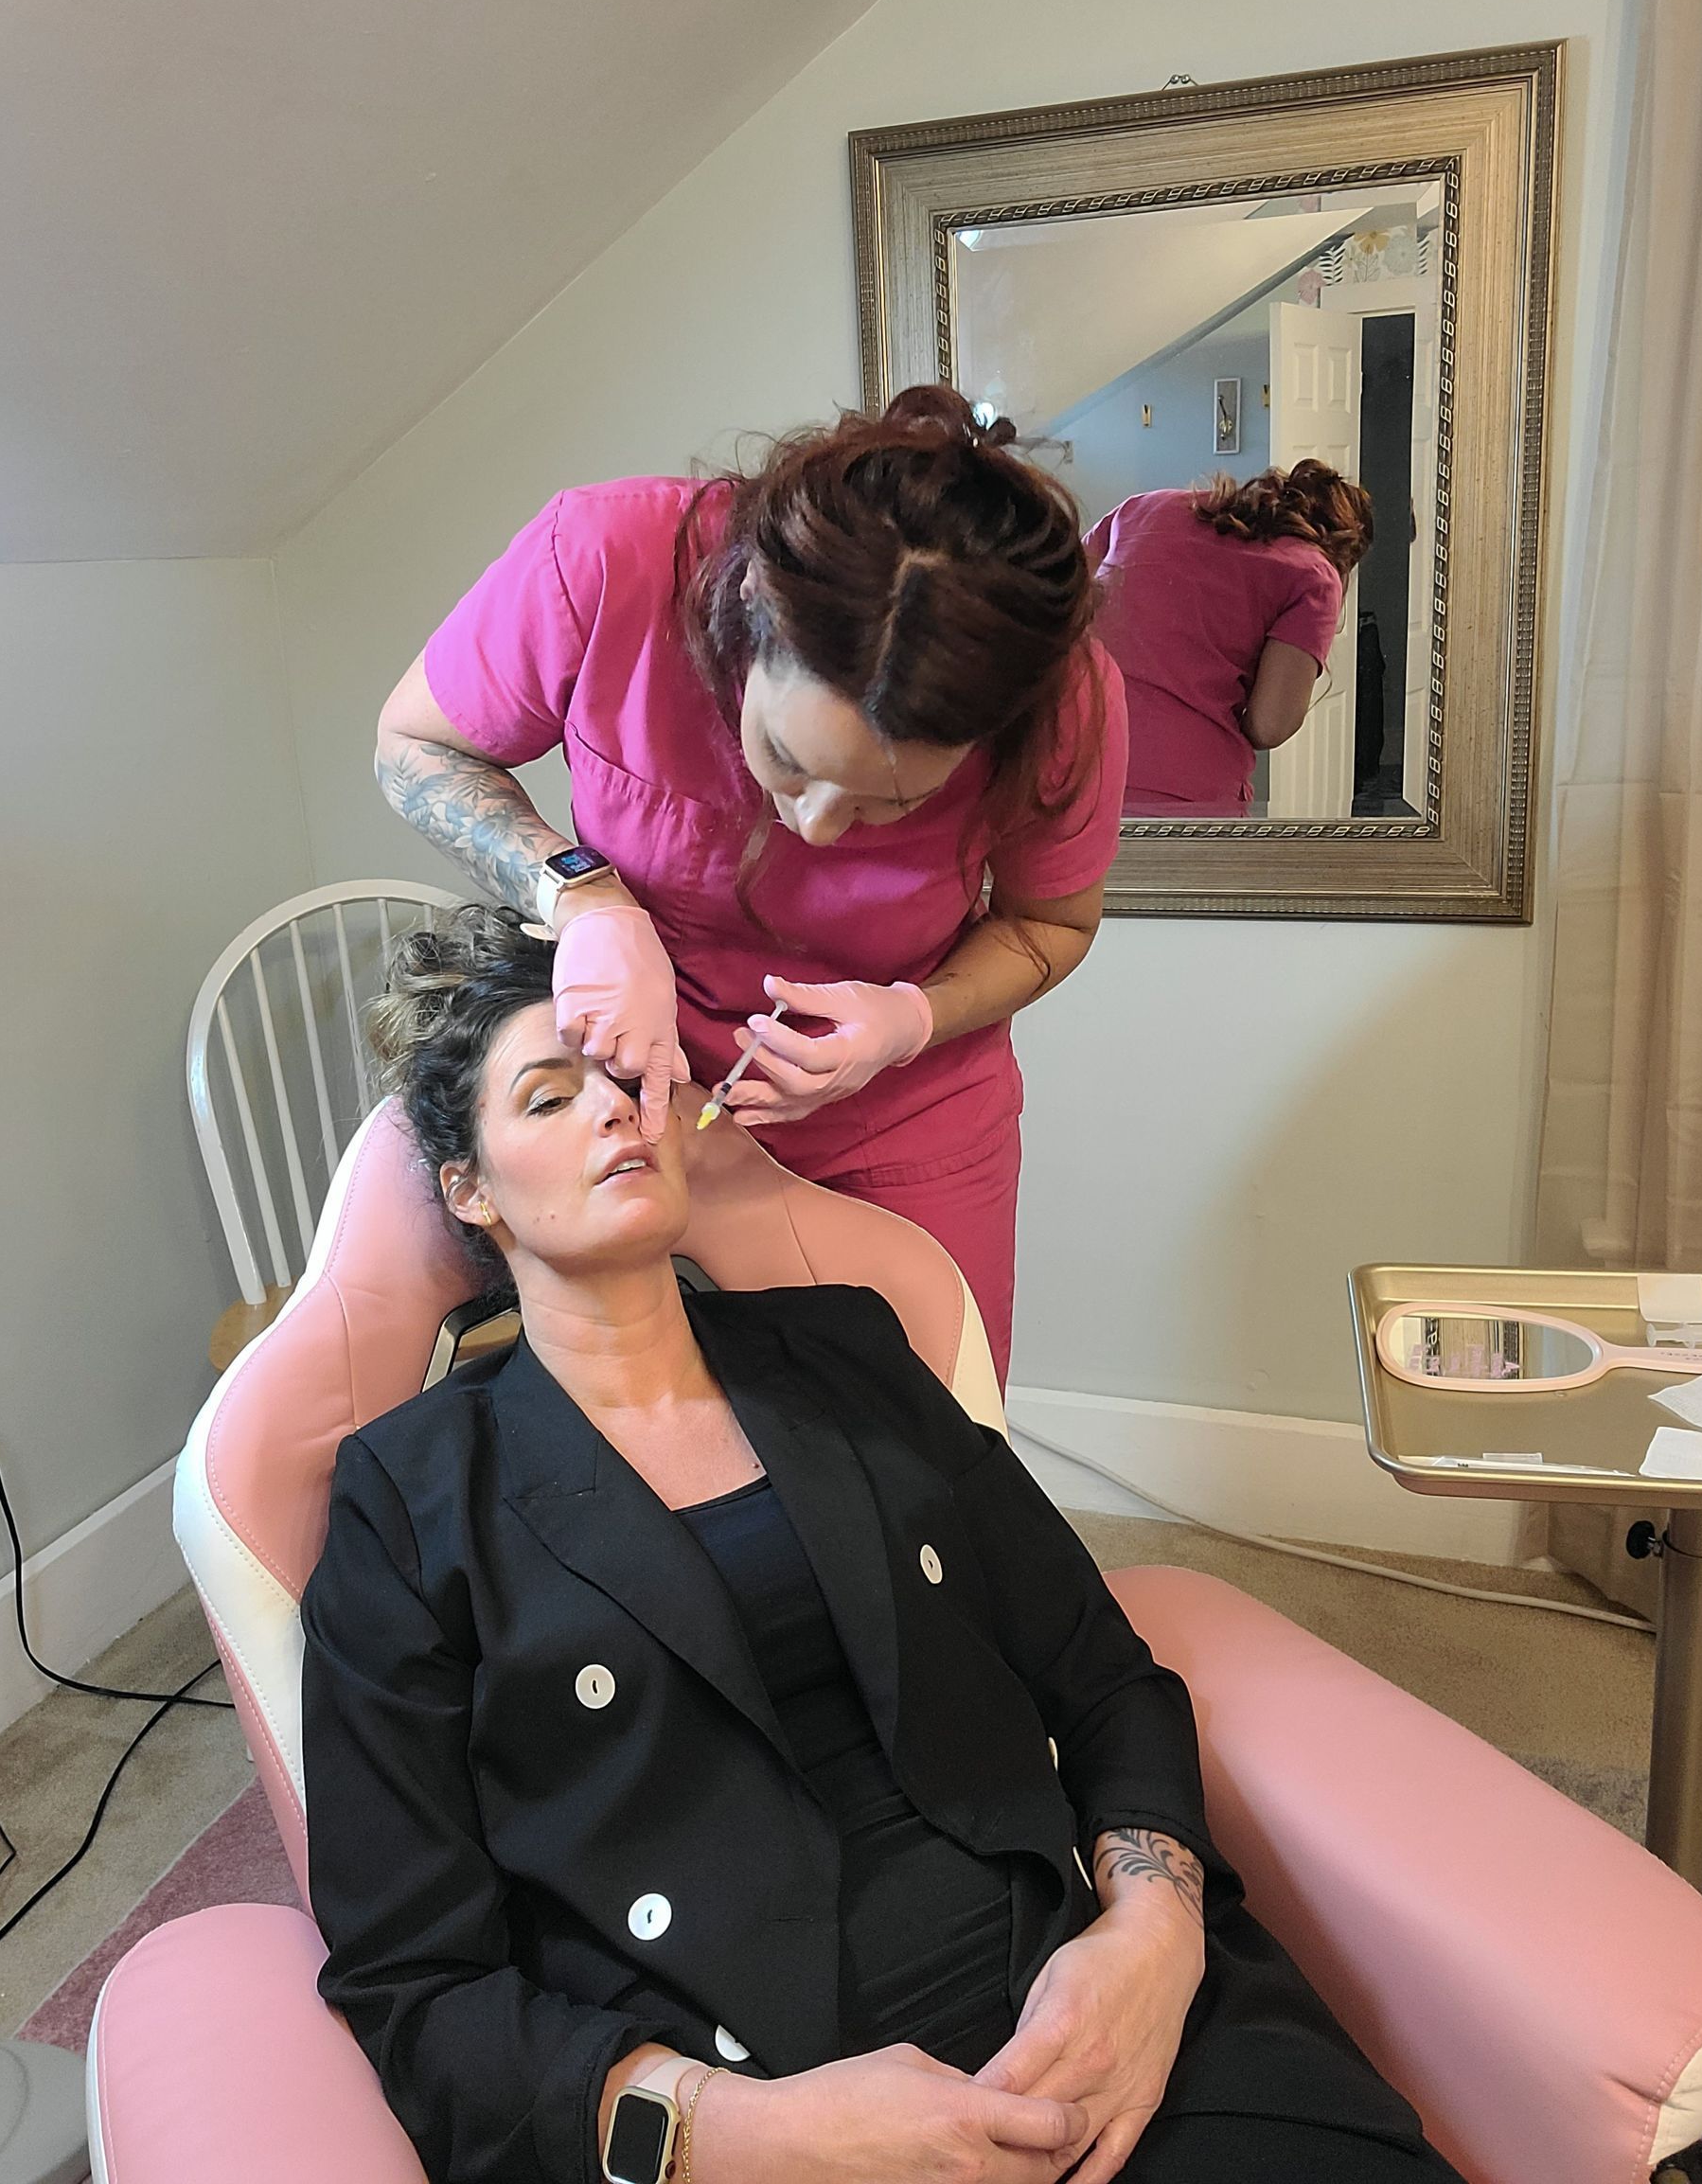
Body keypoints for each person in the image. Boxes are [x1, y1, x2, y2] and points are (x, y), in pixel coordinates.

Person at [300, 907, 1465, 2184]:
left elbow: (1104, 1674)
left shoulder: (847, 1356)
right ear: (470, 1189)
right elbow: (415, 1978)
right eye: (549, 1096)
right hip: (756, 2098)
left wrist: (1154, 1936)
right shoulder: (412, 1496)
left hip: (1083, 2001)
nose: (617, 1112)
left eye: (634, 1078)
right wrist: (734, 2130)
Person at [373, 387, 1130, 1384]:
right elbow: (414, 745)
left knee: (925, 1429)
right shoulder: (609, 560)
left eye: (886, 803)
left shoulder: (1066, 704)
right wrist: (581, 897)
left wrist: (914, 1016)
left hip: (906, 1112)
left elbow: (1050, 923)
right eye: (784, 755)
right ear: (742, 617)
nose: (814, 824)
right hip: (644, 1087)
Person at [1087, 462, 1372, 817]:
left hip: (1073, 774)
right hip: (1187, 800)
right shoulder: (1314, 575)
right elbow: (1269, 726)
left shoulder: (1144, 507)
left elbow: (1057, 607)